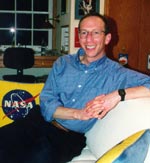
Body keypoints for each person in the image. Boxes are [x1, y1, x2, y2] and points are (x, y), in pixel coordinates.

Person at [0, 12, 150, 163]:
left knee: (37, 158)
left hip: (68, 138)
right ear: (79, 37)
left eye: (96, 33)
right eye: (84, 33)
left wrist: (118, 95)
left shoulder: (117, 73)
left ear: (107, 38)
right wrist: (77, 114)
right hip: (36, 120)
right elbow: (46, 102)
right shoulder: (63, 63)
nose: (89, 39)